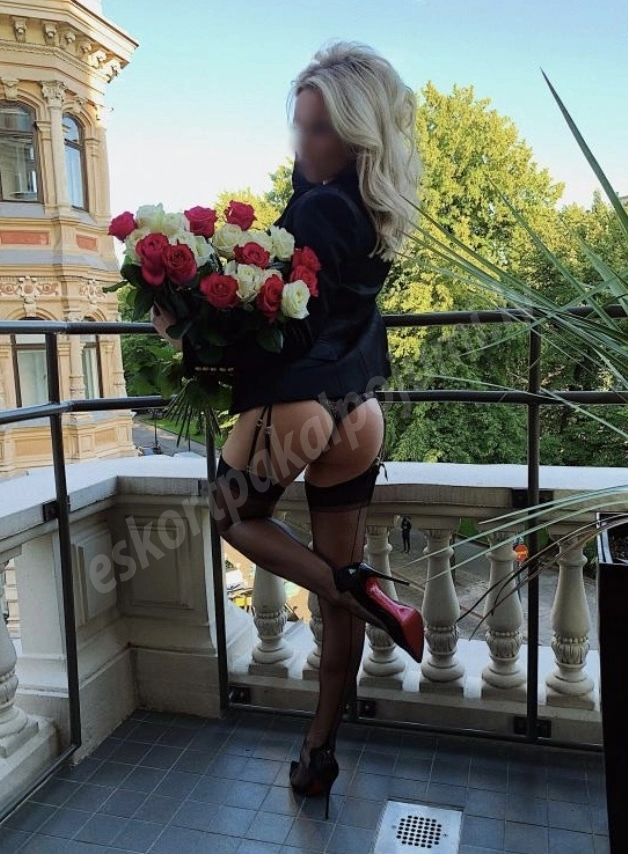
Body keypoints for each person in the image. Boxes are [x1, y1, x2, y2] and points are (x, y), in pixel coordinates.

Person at [151, 40, 423, 819]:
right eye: (300, 125)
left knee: (230, 515)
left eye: (320, 129)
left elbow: (291, 332)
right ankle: (319, 753)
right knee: (338, 586)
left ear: (355, 133)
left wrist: (187, 332)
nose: (304, 143)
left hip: (304, 403)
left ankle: (356, 590)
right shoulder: (373, 208)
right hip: (360, 410)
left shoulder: (318, 208)